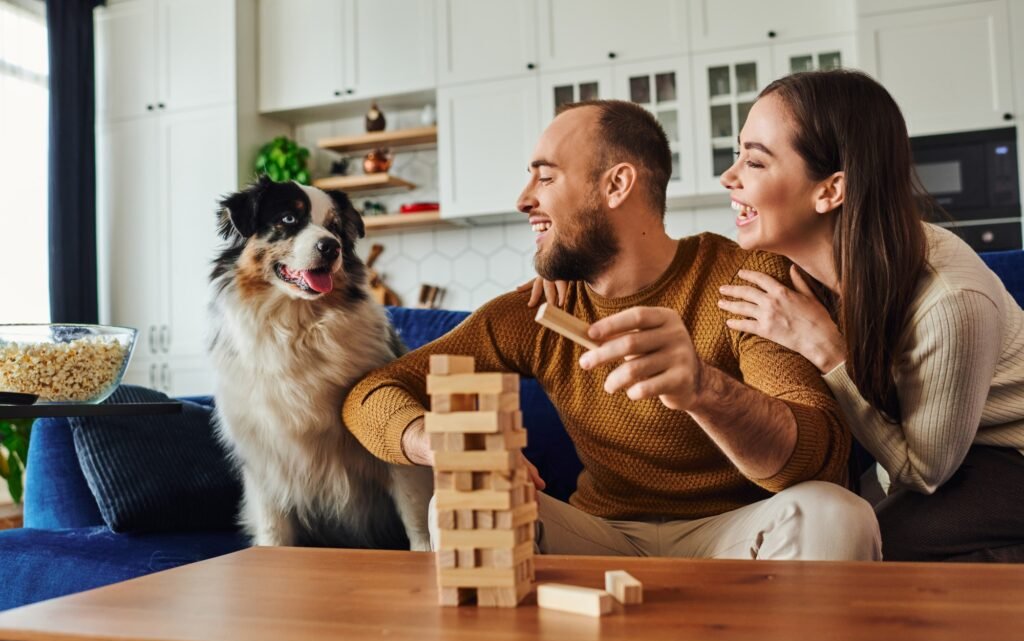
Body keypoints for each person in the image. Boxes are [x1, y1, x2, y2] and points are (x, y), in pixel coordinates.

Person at [343, 99, 880, 561]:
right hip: (602, 535)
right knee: (463, 500)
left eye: (546, 176)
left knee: (837, 515)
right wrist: (435, 441)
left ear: (617, 185)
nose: (524, 198)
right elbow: (370, 394)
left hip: (735, 531)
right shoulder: (536, 312)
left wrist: (703, 389)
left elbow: (819, 460)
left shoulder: (744, 279)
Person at [715, 69, 1024, 562]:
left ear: (829, 191)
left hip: (1006, 454)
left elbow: (921, 471)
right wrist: (567, 273)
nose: (729, 177)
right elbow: (680, 265)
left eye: (754, 161)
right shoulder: (794, 258)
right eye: (738, 154)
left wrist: (826, 351)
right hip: (937, 450)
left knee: (870, 540)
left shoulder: (951, 301)